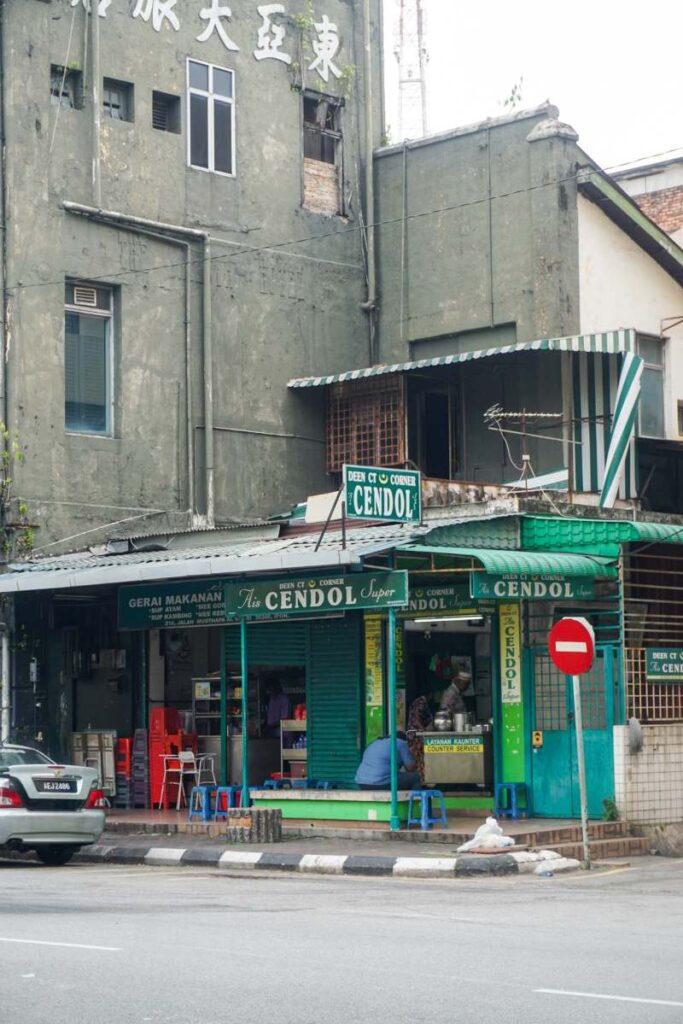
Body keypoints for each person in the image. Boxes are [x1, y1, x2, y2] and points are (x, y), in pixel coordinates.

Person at [355, 731, 420, 790]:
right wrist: (413, 755)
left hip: (361, 783)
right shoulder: (401, 743)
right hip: (380, 783)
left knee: (400, 777)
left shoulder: (374, 743)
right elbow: (411, 768)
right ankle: (417, 801)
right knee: (415, 777)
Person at [407, 686, 434, 784]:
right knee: (419, 757)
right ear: (430, 694)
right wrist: (423, 730)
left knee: (419, 758)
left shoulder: (418, 701)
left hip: (414, 734)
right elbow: (417, 716)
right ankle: (420, 781)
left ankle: (421, 780)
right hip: (416, 735)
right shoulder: (422, 701)